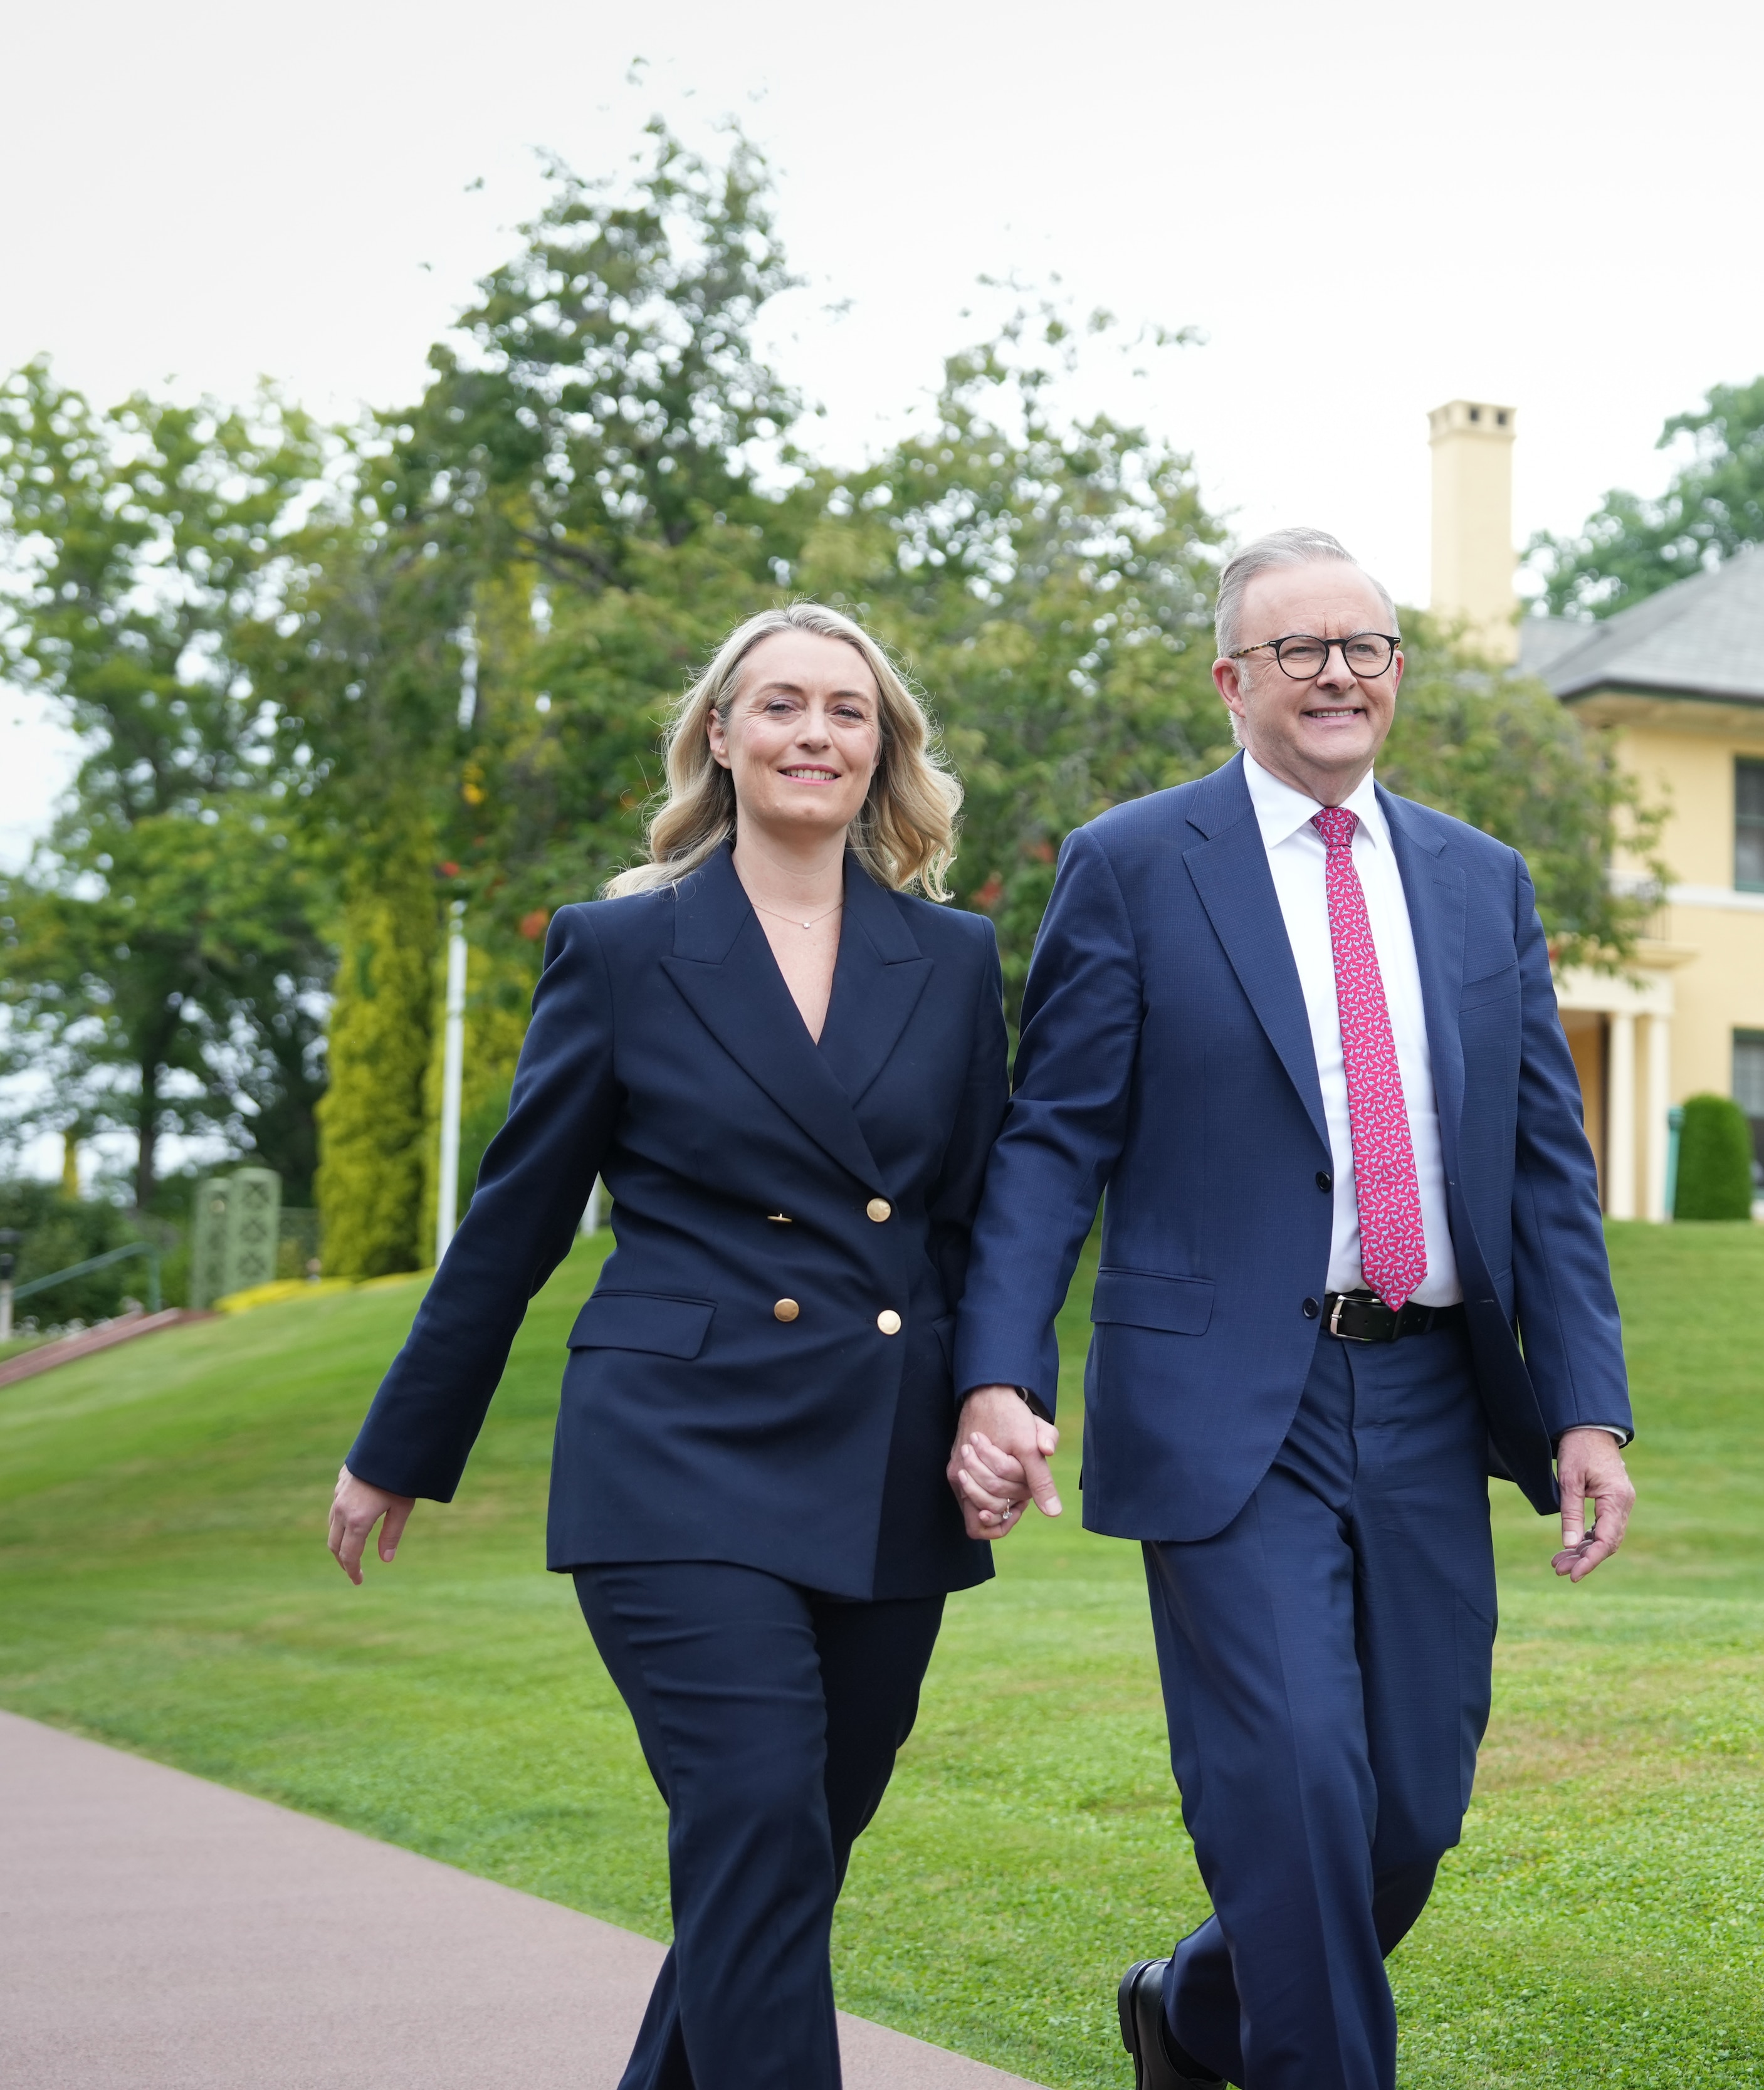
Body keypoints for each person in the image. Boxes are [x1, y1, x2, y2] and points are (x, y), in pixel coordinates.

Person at [943, 527, 1637, 2090]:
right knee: (1295, 1786)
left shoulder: (1479, 880)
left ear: (1395, 671)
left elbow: (1545, 1164)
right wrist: (1001, 1374)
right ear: (1231, 680)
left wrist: (1586, 1404)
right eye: (1300, 649)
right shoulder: (1134, 862)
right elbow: (1053, 1144)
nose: (1338, 674)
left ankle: (1193, 2011)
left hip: (1430, 1396)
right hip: (1225, 1407)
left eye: (1366, 646)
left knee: (1410, 1809)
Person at [324, 602, 1012, 2090]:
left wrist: (994, 1398)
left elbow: (973, 1224)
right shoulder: (624, 947)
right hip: (677, 1450)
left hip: (884, 1461)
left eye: (845, 709)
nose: (813, 732)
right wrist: (399, 1445)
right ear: (722, 734)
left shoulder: (954, 960)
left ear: (881, 746)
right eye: (780, 704)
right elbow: (514, 1220)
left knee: (786, 1854)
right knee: (756, 1814)